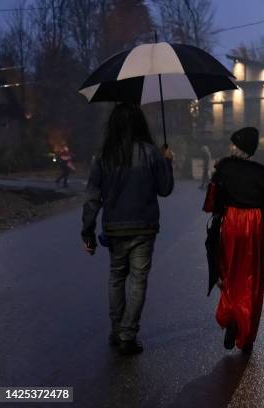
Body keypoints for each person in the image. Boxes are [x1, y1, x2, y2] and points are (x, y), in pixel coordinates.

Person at [81, 103, 174, 356]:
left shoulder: (103, 156)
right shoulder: (151, 153)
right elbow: (165, 189)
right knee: (138, 280)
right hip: (144, 227)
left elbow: (92, 197)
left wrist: (87, 231)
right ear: (139, 124)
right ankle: (128, 333)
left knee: (116, 276)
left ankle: (116, 329)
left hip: (114, 228)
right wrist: (167, 162)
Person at [206, 127, 264, 354]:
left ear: (238, 147)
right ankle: (246, 333)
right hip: (254, 225)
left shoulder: (224, 167)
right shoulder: (262, 173)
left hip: (231, 222)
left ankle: (232, 317)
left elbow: (212, 205)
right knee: (252, 277)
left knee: (229, 271)